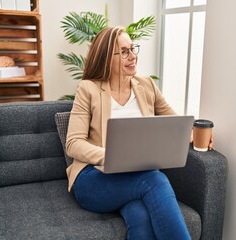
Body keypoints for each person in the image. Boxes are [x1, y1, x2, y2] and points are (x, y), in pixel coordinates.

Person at [65, 26, 213, 240]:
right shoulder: (88, 89)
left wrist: (197, 131)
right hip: (94, 177)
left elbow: (177, 123)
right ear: (107, 58)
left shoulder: (146, 85)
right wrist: (113, 157)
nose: (133, 55)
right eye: (124, 51)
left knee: (140, 216)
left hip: (133, 178)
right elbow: (73, 143)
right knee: (155, 179)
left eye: (133, 48)